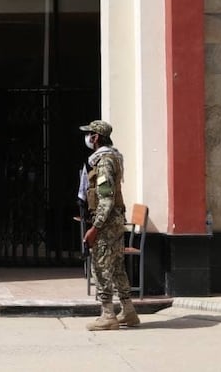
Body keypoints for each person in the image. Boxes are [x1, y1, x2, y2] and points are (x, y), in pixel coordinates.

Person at [80, 120, 140, 330]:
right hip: (115, 221)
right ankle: (129, 311)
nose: (87, 138)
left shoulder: (104, 161)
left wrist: (95, 228)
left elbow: (106, 198)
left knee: (101, 266)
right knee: (116, 268)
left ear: (96, 137)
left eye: (89, 134)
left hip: (106, 223)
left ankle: (108, 314)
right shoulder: (113, 157)